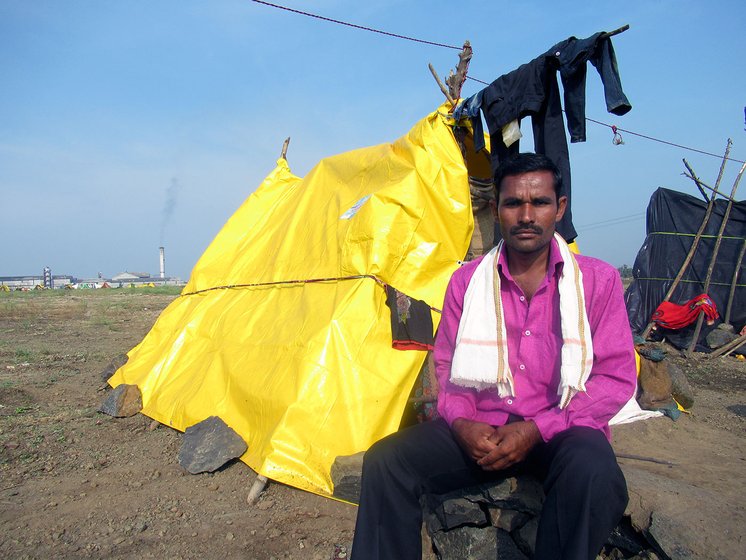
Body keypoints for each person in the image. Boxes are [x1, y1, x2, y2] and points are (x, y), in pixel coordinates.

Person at [350, 153, 637, 560]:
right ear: (495, 208)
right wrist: (463, 424)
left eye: (539, 202)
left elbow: (615, 379)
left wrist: (537, 429)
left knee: (594, 473)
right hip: (483, 432)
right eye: (512, 202)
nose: (525, 215)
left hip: (560, 431)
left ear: (560, 208)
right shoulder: (467, 282)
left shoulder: (597, 281)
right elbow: (447, 368)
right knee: (386, 462)